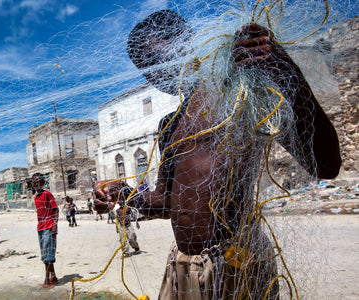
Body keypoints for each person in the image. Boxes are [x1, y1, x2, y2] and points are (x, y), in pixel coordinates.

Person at [93, 10, 341, 299]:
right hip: (184, 265)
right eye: (144, 66)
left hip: (237, 260)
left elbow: (325, 165)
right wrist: (124, 193)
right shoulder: (169, 125)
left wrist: (285, 70)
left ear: (190, 41)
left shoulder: (242, 94)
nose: (154, 72)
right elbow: (166, 202)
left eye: (158, 56)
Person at [31, 173, 59, 288]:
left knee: (48, 254)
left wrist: (55, 225)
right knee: (45, 253)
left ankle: (47, 279)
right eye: (34, 182)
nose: (36, 184)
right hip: (40, 227)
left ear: (43, 182)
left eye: (38, 181)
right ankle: (54, 276)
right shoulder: (36, 197)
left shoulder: (47, 194)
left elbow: (55, 209)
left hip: (49, 226)